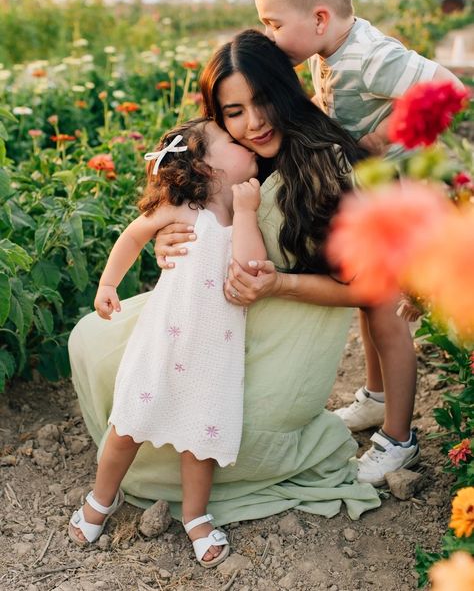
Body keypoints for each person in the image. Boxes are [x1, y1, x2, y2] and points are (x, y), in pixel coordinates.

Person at [69, 31, 381, 548]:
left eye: (261, 103)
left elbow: (365, 287)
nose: (252, 125)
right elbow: (161, 227)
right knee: (94, 347)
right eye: (233, 116)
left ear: (286, 91)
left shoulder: (323, 165)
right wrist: (163, 242)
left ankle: (189, 510)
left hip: (281, 325)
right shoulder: (234, 175)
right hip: (208, 316)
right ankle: (109, 492)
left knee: (212, 426)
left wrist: (276, 278)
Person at [240, 0, 463, 485]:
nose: (269, 35)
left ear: (319, 17)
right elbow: (339, 105)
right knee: (369, 303)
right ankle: (374, 397)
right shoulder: (331, 52)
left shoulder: (370, 55)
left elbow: (449, 87)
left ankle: (399, 440)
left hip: (405, 201)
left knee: (385, 316)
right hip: (377, 200)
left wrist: (385, 137)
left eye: (272, 22)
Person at [68, 117, 267, 568]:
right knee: (127, 427)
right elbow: (133, 235)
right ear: (205, 166)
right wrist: (107, 284)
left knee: (200, 440)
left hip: (213, 352)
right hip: (162, 343)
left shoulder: (241, 215)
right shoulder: (179, 209)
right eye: (233, 142)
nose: (247, 143)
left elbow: (252, 265)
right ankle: (102, 498)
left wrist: (249, 212)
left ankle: (195, 515)